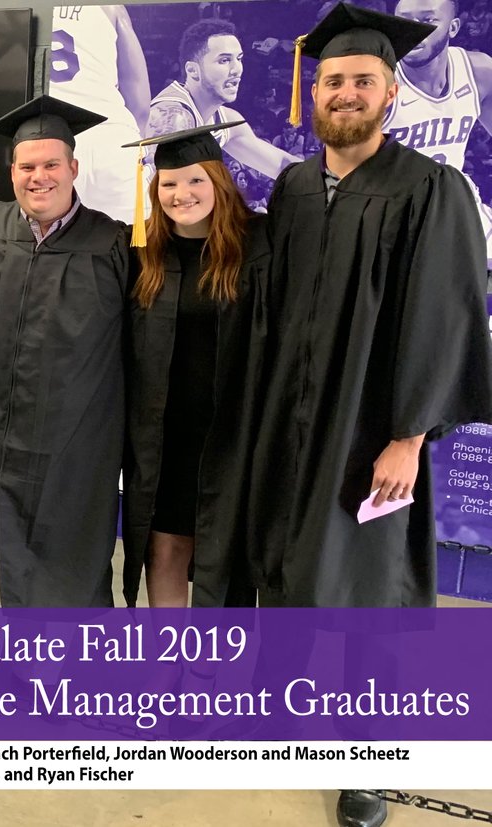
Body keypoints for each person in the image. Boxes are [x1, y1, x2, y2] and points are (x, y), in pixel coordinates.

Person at [253, 5, 492, 822]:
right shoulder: (294, 187)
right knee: (289, 568)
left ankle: (367, 760)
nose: (345, 93)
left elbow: (446, 316)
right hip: (289, 420)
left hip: (372, 429)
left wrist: (409, 436)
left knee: (372, 597)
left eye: (362, 80)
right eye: (332, 80)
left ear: (391, 93)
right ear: (314, 91)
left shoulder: (430, 188)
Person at [0, 95, 130, 608]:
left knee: (59, 569)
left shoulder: (111, 244)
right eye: (27, 167)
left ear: (73, 168)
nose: (39, 177)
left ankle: (46, 659)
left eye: (51, 165)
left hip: (69, 450)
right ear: (12, 171)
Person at [120, 122, 266, 609]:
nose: (181, 194)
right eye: (169, 183)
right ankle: (168, 652)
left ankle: (211, 653)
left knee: (222, 555)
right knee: (165, 549)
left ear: (218, 180)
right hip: (163, 436)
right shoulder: (143, 253)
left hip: (231, 435)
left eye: (195, 179)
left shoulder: (256, 246)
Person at [390, 0, 492, 261]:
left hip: (458, 207)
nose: (413, 30)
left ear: (453, 27)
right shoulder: (377, 83)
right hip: (396, 217)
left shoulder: (478, 71)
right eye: (404, 20)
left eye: (428, 20)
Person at [148, 19, 299, 180]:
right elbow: (165, 188)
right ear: (192, 70)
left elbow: (281, 166)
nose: (236, 69)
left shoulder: (225, 119)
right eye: (224, 60)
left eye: (239, 59)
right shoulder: (174, 117)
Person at [49, 4, 152, 221]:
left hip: (54, 140)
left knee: (58, 239)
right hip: (111, 137)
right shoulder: (111, 7)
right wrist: (135, 146)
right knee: (135, 237)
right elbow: (139, 101)